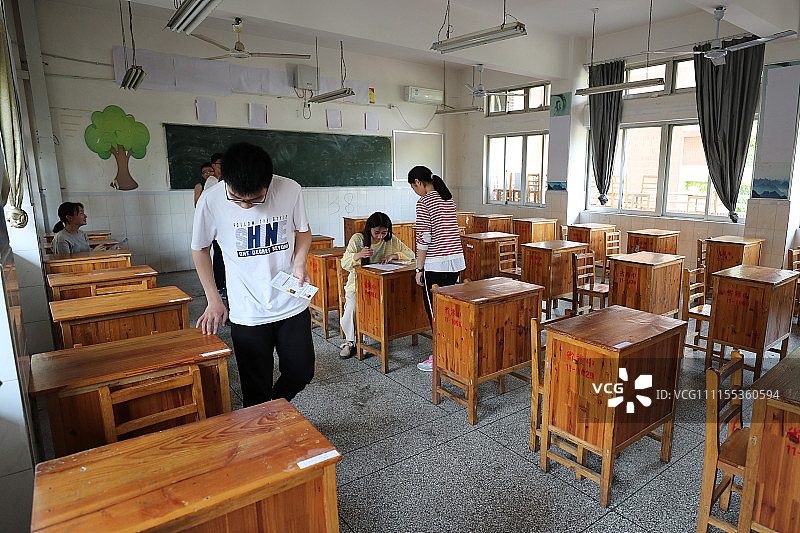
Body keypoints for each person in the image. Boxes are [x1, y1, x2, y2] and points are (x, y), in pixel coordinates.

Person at [191, 142, 315, 406]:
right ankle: (265, 425)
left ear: (269, 182)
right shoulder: (211, 201)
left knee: (302, 371)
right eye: (238, 199)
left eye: (255, 199)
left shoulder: (290, 189)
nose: (246, 205)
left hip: (289, 301)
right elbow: (199, 249)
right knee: (254, 389)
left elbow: (303, 232)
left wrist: (299, 263)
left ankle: (272, 408)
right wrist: (214, 299)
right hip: (247, 311)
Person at [407, 166, 465, 372]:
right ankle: (453, 351)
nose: (415, 192)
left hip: (436, 264)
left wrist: (418, 269)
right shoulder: (447, 198)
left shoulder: (424, 202)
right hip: (455, 263)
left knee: (436, 313)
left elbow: (424, 239)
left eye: (414, 187)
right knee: (451, 311)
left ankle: (440, 356)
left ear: (418, 182)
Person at [339, 212, 415, 359]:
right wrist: (358, 255)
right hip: (358, 284)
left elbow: (410, 254)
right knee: (353, 306)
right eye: (377, 232)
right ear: (370, 229)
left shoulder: (390, 240)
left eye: (384, 232)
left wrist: (394, 256)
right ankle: (350, 342)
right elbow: (344, 263)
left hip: (381, 284)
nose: (380, 236)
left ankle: (388, 333)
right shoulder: (358, 239)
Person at [209, 152, 227, 299]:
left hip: (225, 225)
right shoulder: (211, 181)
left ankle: (223, 285)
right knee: (219, 257)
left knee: (222, 256)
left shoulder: (226, 180)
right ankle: (219, 286)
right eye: (220, 163)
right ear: (213, 165)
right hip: (217, 226)